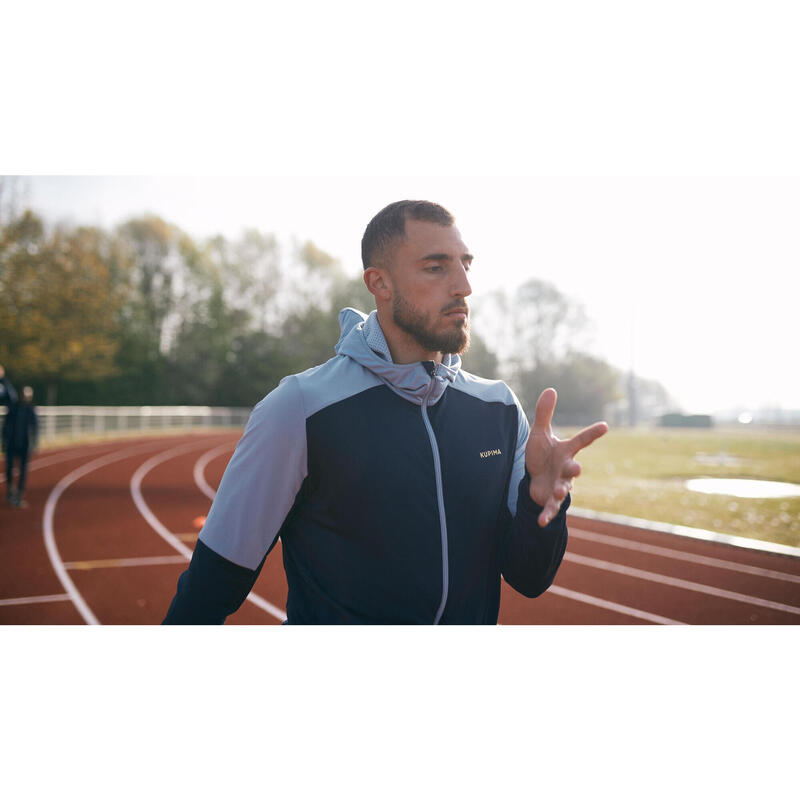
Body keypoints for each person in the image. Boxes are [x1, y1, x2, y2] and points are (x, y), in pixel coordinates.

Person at [163, 200, 608, 624]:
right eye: (436, 267)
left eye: (465, 265)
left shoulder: (499, 409)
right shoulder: (300, 408)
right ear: (379, 283)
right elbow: (211, 586)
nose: (464, 287)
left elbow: (530, 578)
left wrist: (541, 504)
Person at [3, 385, 38, 508]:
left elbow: (35, 428)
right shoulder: (13, 407)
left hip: (25, 445)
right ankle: (10, 491)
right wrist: (4, 441)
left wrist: (34, 443)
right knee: (9, 468)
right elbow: (6, 426)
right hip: (12, 444)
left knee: (23, 470)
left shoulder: (31, 409)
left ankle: (19, 494)